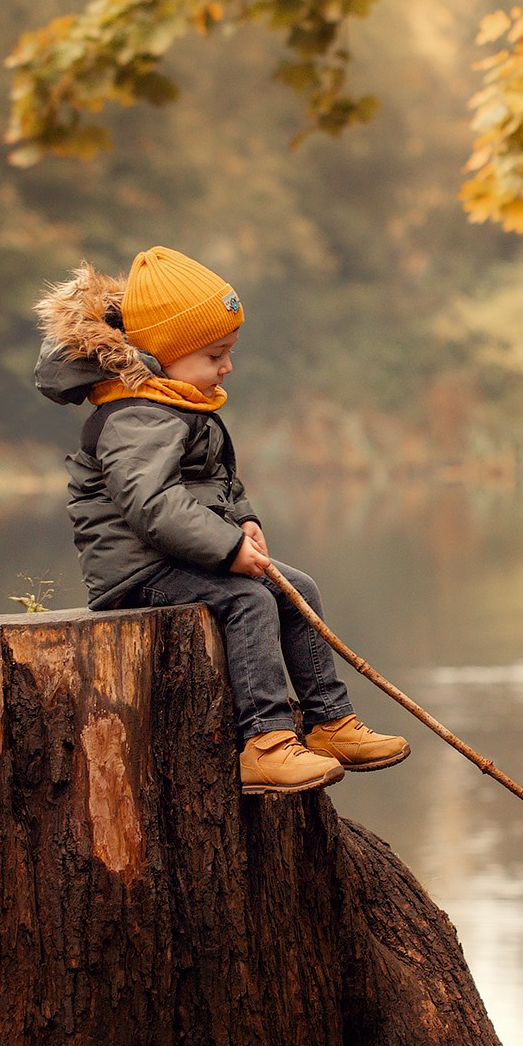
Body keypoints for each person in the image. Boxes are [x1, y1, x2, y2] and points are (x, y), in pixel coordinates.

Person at [32, 245, 409, 794]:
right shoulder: (134, 414)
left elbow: (213, 482)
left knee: (296, 587)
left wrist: (243, 521)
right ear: (163, 354)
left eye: (228, 351)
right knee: (249, 599)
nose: (226, 366)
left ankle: (328, 721)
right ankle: (265, 742)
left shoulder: (174, 402)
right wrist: (226, 548)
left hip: (183, 554)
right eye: (214, 355)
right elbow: (153, 505)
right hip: (139, 572)